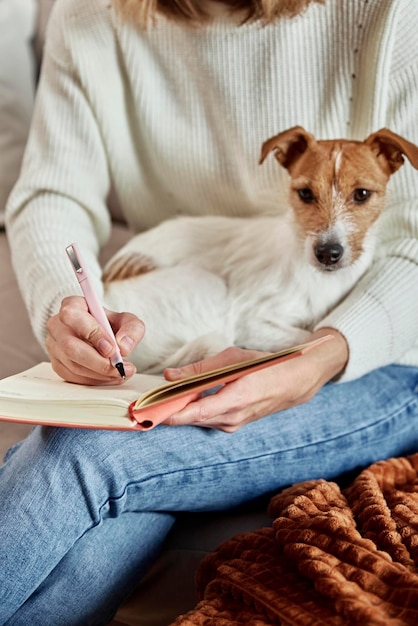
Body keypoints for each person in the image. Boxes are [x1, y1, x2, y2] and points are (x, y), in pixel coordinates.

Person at [2, 0, 418, 623]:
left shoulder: (394, 13)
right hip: (189, 301)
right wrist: (67, 307)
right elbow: (53, 190)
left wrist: (321, 356)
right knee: (113, 505)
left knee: (84, 454)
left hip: (386, 360)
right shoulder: (90, 13)